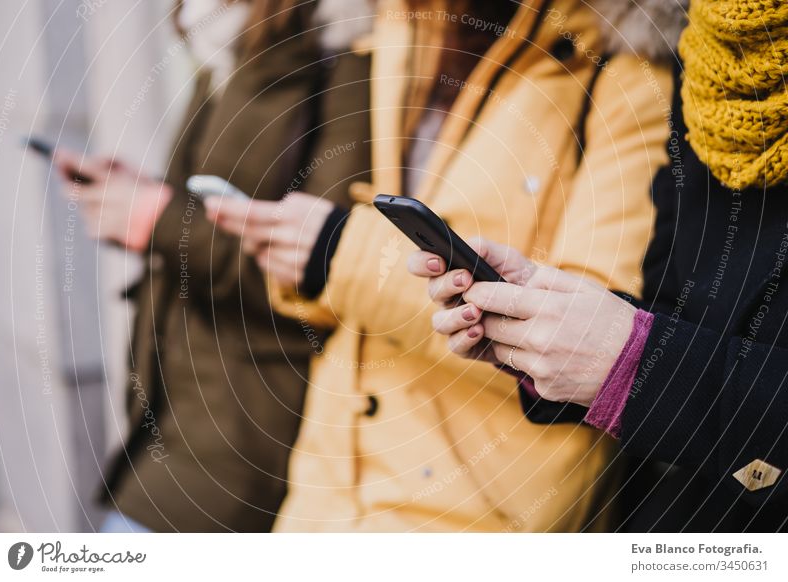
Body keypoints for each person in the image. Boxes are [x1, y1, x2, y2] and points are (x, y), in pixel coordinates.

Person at [207, 0, 682, 531]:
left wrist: (340, 253)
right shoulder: (403, 30)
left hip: (479, 512)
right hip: (325, 495)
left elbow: (594, 348)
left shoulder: (627, 71)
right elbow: (358, 289)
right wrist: (308, 260)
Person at [409, 0, 788, 532]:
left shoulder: (642, 60)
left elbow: (660, 352)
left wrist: (634, 365)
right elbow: (675, 306)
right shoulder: (705, 53)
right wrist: (549, 320)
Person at [53, 0, 374, 532]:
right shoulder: (222, 44)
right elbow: (213, 205)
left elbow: (330, 266)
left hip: (248, 432)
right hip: (171, 406)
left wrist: (154, 217)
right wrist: (142, 199)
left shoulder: (352, 50)